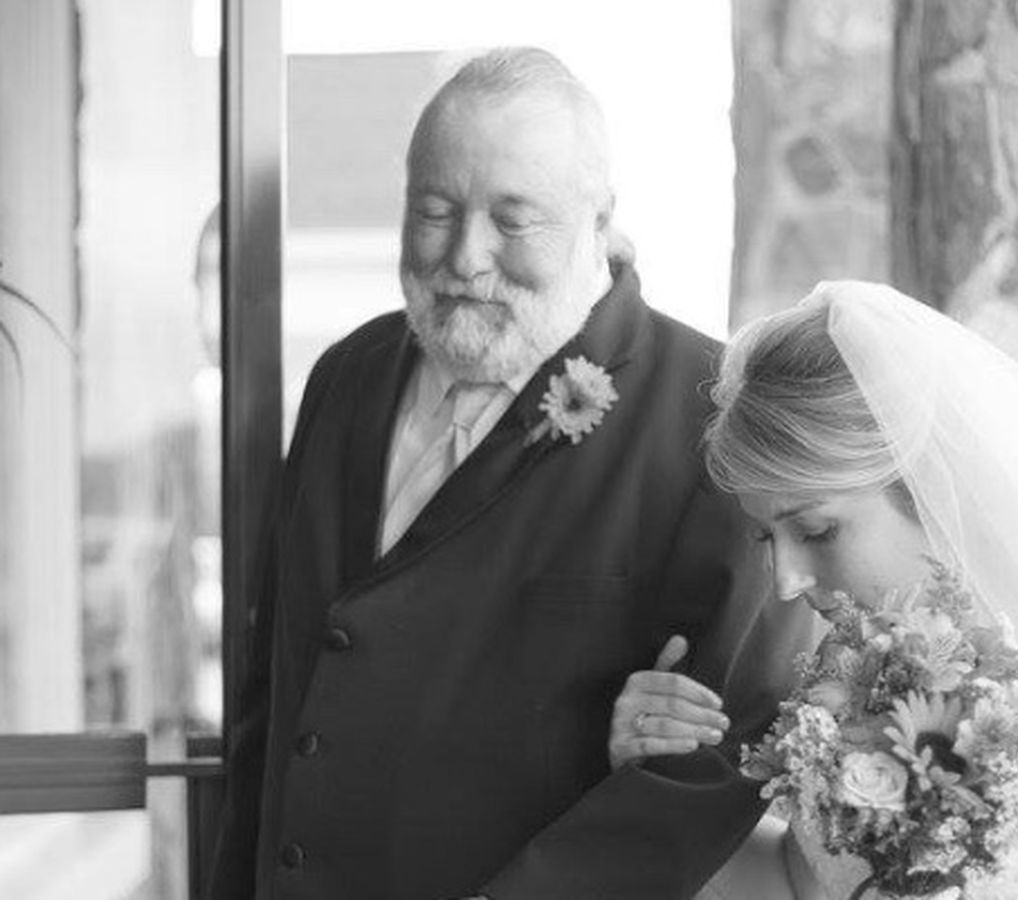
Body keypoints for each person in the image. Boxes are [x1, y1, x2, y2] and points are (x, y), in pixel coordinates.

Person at [206, 47, 787, 900]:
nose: (465, 258)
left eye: (513, 222)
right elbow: (275, 690)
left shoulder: (710, 416)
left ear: (599, 219)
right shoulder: (345, 377)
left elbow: (724, 759)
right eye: (434, 211)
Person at [610, 280, 1018, 899]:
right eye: (766, 538)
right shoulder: (849, 681)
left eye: (817, 531)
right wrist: (655, 778)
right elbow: (798, 885)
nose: (786, 582)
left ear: (922, 487)